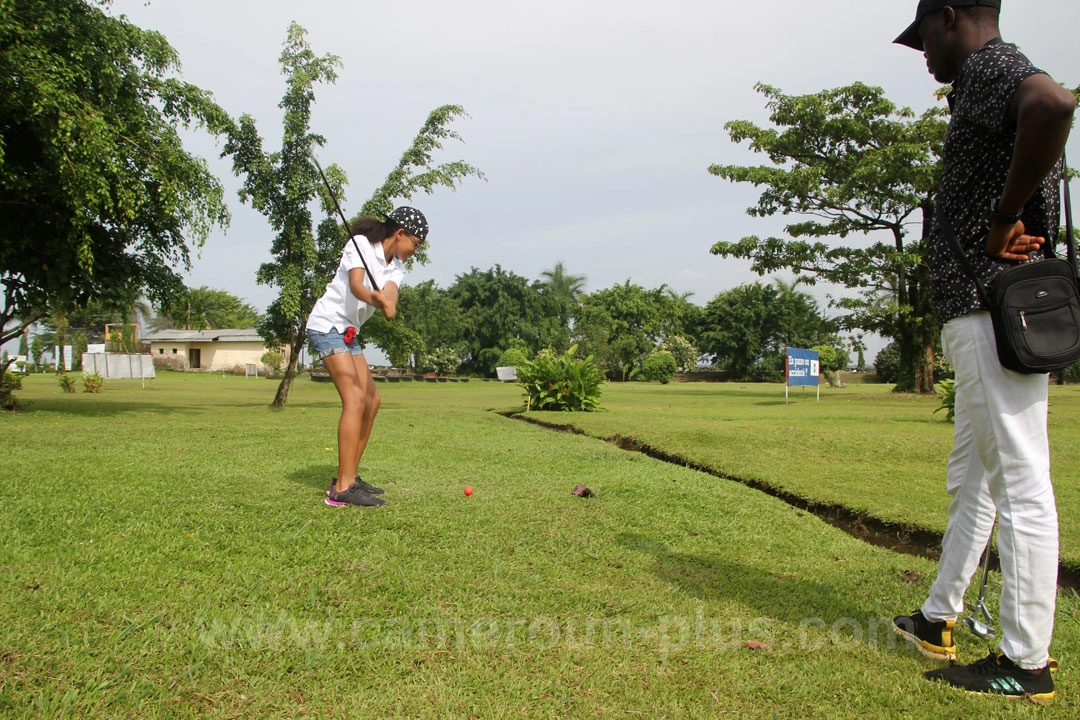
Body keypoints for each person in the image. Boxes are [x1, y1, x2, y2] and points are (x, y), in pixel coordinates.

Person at [890, 0, 1075, 699]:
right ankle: (939, 616)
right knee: (975, 473)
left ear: (949, 17)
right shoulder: (979, 83)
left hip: (991, 301)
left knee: (1021, 478)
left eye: (924, 39)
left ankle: (1024, 661)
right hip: (981, 304)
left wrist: (1003, 219)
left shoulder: (995, 66)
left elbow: (1053, 105)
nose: (925, 56)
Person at [305, 206, 429, 507]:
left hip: (348, 331)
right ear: (400, 234)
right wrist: (374, 298)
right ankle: (342, 488)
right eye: (416, 242)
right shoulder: (360, 244)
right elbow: (357, 286)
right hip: (327, 324)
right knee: (355, 399)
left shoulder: (396, 267)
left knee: (372, 400)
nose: (416, 250)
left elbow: (391, 296)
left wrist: (389, 305)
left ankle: (349, 476)